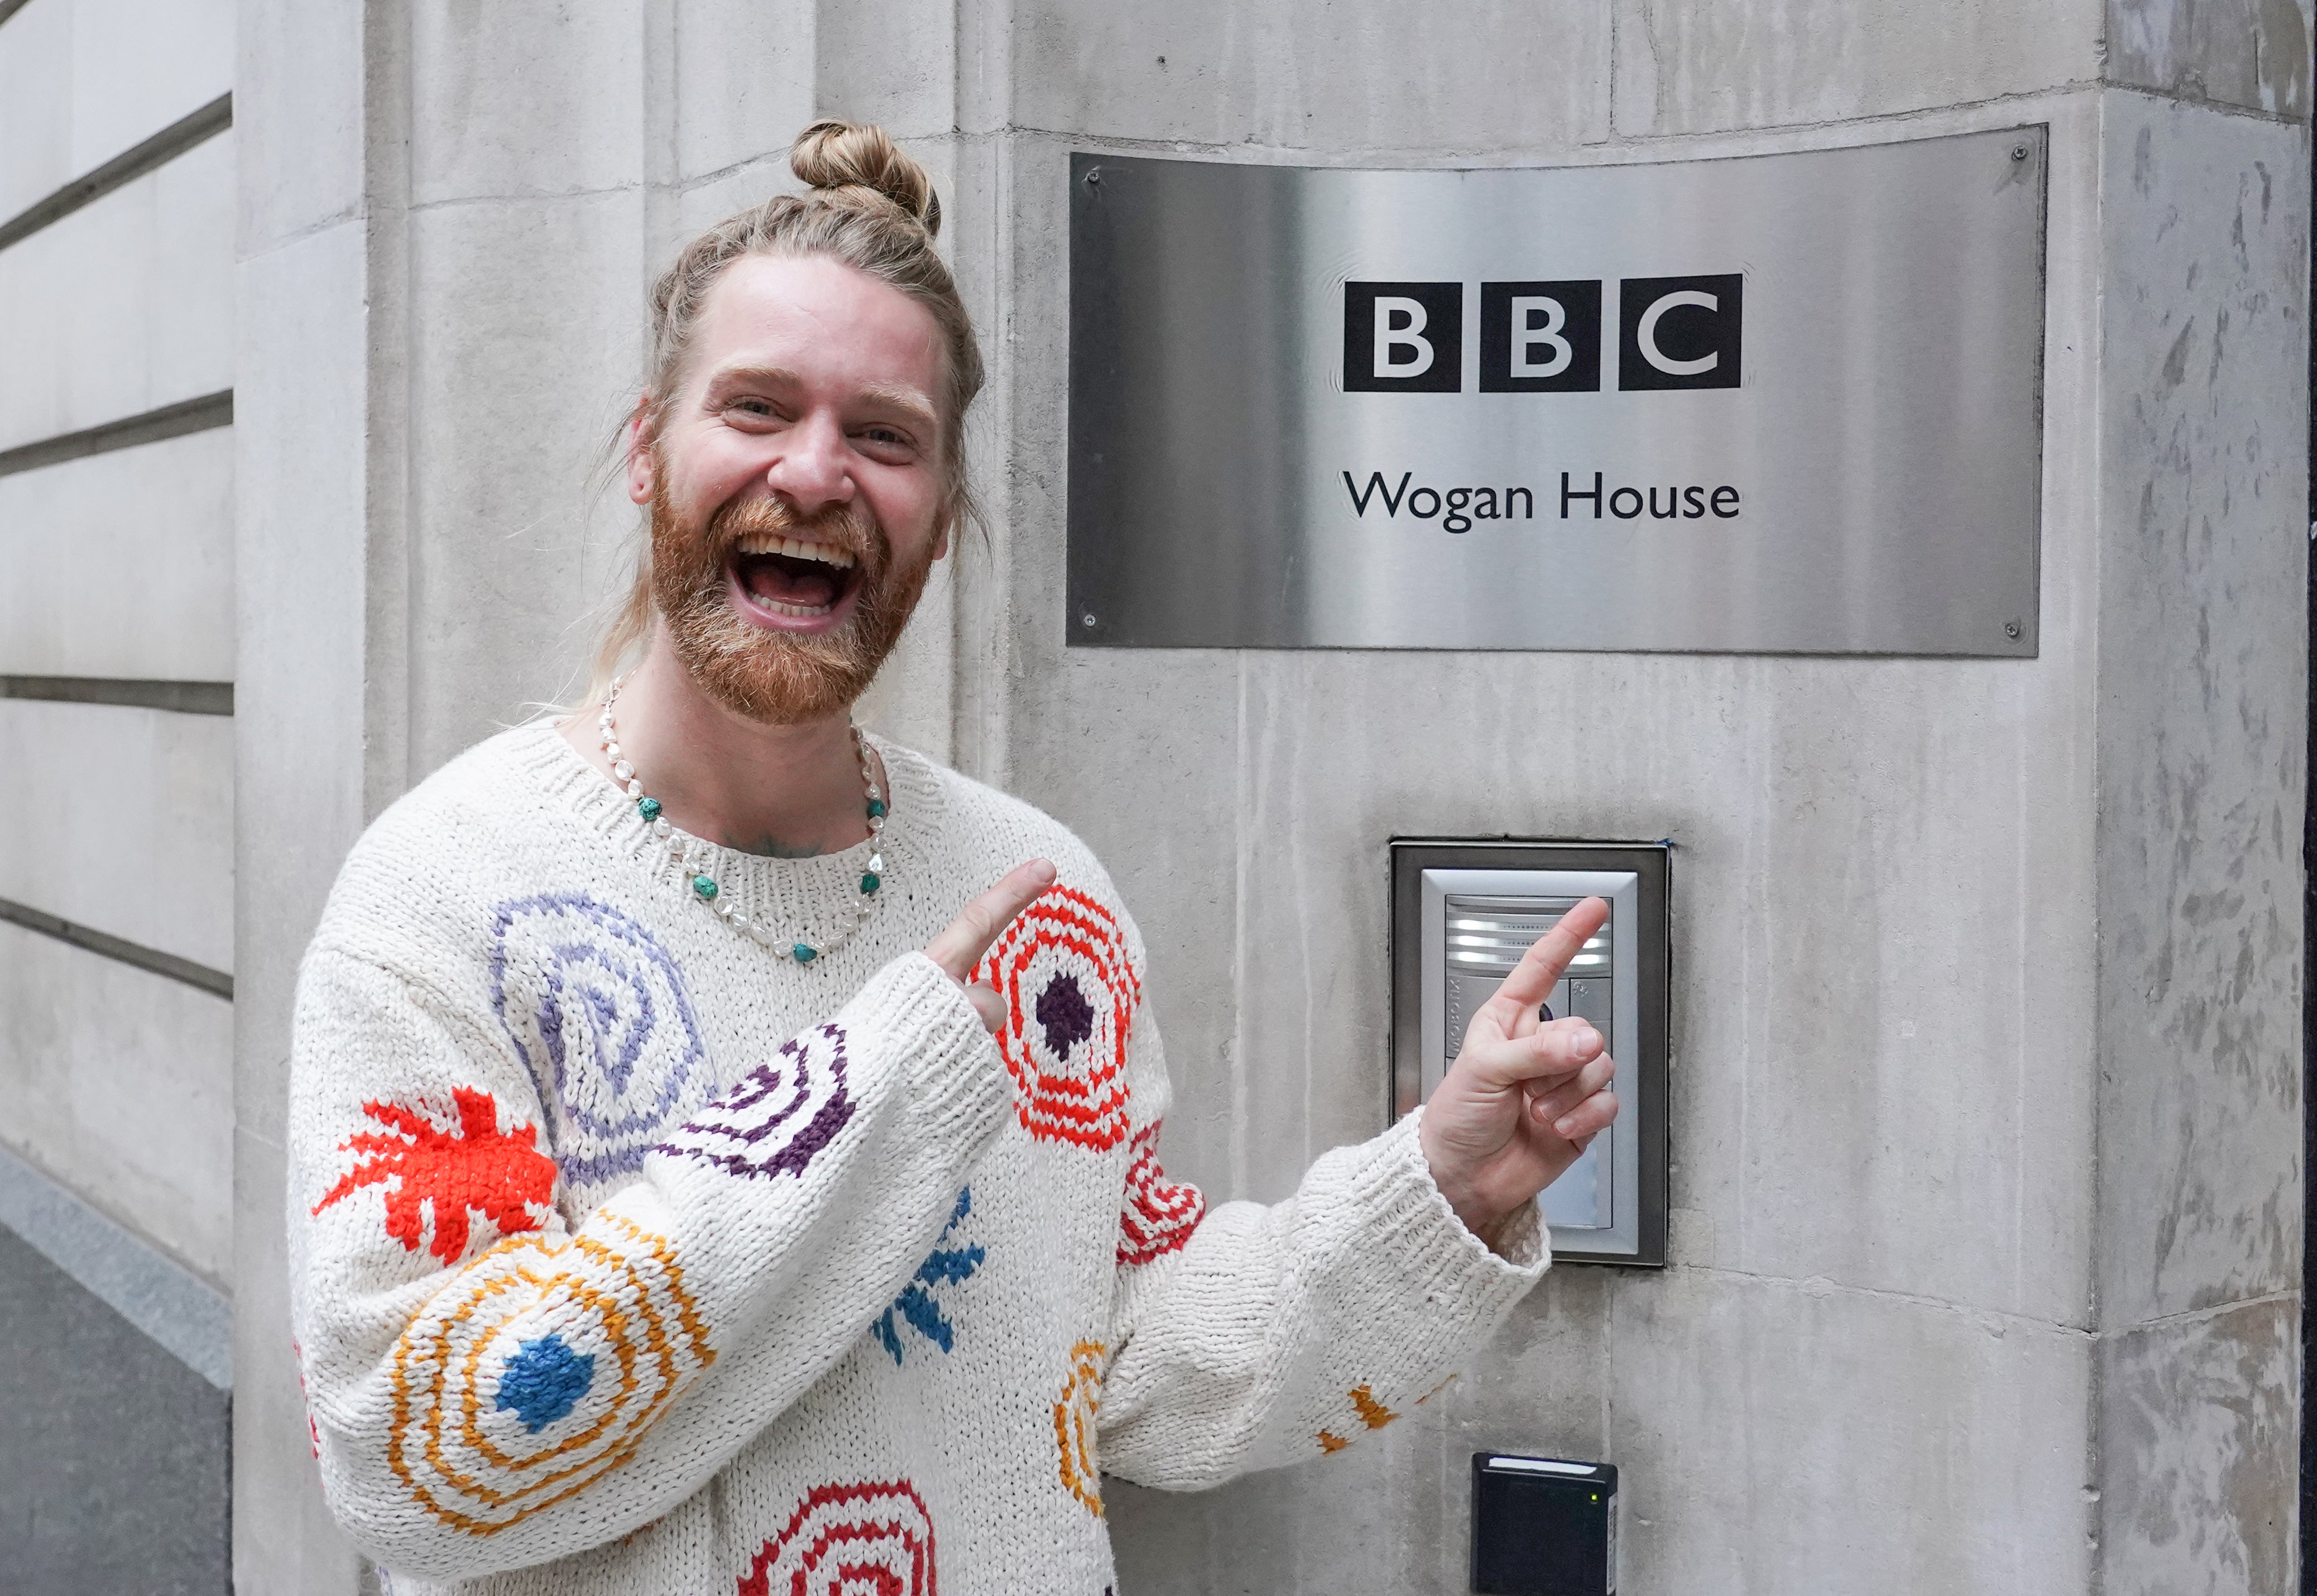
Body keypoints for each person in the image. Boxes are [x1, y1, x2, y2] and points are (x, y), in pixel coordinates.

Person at [285, 121, 1618, 1595]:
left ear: (938, 515)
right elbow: (406, 1457)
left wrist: (1432, 1189)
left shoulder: (1043, 900)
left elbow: (1118, 1359)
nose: (814, 470)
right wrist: (860, 1098)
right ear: (646, 453)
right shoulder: (442, 894)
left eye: (884, 433)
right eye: (756, 406)